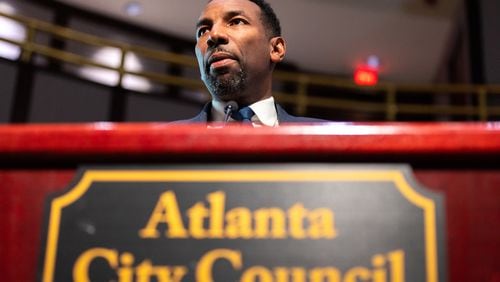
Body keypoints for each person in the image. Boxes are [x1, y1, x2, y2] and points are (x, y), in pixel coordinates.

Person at [178, 0, 326, 126]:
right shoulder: (160, 144)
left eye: (236, 21)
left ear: (275, 49)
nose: (214, 35)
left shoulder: (326, 139)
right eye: (203, 31)